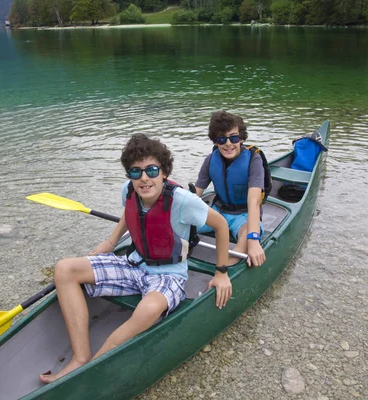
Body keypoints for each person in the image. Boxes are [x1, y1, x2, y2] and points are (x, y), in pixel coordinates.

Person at [39, 133, 232, 384]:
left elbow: (221, 226)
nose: (144, 178)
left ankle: (95, 365)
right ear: (129, 175)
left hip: (168, 274)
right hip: (133, 263)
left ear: (164, 172)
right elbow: (129, 214)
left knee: (149, 308)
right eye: (135, 171)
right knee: (65, 269)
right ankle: (80, 358)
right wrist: (110, 243)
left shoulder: (184, 201)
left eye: (152, 170)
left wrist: (221, 273)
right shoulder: (129, 190)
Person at [194, 110, 268, 268]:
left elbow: (254, 201)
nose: (228, 144)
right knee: (183, 221)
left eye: (234, 138)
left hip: (243, 216)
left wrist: (253, 239)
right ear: (215, 141)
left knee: (247, 235)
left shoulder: (254, 159)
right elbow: (196, 193)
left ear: (241, 138)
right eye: (222, 139)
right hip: (218, 211)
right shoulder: (210, 160)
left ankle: (226, 267)